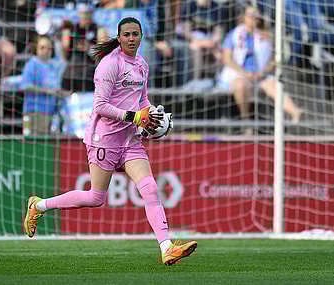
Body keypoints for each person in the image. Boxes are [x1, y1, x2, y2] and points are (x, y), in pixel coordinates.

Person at [24, 17, 197, 266]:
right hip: (103, 138)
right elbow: (101, 106)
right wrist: (136, 116)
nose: (131, 38)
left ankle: (166, 247)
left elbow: (142, 98)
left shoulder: (142, 65)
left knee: (150, 188)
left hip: (129, 138)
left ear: (141, 36)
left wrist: (152, 118)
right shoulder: (109, 65)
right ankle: (39, 205)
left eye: (135, 34)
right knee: (96, 197)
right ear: (119, 37)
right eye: (126, 34)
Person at [216, 4, 302, 135]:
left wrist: (262, 72)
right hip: (240, 74)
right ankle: (247, 121)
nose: (253, 18)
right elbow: (226, 58)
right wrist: (244, 72)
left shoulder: (266, 36)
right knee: (240, 85)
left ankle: (295, 113)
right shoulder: (234, 34)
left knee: (274, 86)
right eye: (250, 15)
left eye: (256, 16)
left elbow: (274, 60)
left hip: (260, 76)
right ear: (244, 17)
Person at [20, 35, 69, 136]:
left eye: (49, 48)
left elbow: (54, 88)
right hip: (36, 113)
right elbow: (25, 86)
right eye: (42, 47)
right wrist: (47, 91)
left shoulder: (52, 66)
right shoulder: (32, 64)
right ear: (35, 48)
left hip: (50, 113)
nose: (46, 50)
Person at [175, 0, 224, 82]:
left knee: (219, 53)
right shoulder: (189, 6)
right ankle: (195, 81)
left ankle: (220, 81)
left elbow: (219, 32)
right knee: (196, 49)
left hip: (209, 40)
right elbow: (186, 32)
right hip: (191, 40)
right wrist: (200, 42)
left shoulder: (217, 7)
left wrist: (213, 41)